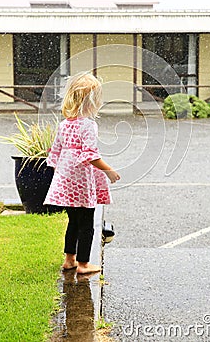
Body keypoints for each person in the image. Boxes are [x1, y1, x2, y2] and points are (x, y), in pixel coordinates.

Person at [44, 72, 120, 274]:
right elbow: (90, 155)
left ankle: (69, 259)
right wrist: (109, 171)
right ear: (93, 102)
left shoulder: (64, 124)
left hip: (67, 180)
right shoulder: (88, 125)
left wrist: (59, 176)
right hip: (81, 182)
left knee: (73, 222)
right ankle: (84, 264)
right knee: (87, 223)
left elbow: (55, 152)